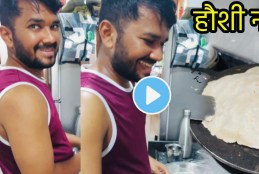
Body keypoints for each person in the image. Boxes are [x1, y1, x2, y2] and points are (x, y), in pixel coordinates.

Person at [80, 0, 176, 173]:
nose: (159, 55)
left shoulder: (127, 80)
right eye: (148, 41)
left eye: (162, 44)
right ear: (108, 34)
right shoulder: (92, 100)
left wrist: (143, 160)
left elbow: (120, 147)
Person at [0, 0, 80, 173]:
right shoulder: (23, 96)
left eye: (54, 26)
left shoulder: (19, 79)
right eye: (35, 26)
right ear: (7, 35)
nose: (50, 38)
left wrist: (83, 141)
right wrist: (96, 151)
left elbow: (42, 133)